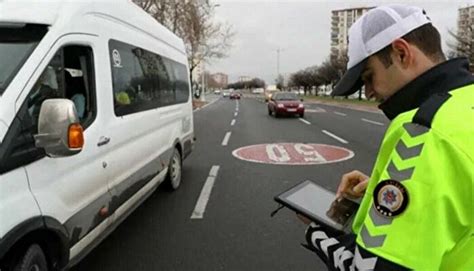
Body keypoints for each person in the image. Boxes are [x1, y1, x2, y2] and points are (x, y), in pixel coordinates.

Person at [299, 5, 474, 270]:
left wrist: (317, 232)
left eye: (369, 77)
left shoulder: (424, 129)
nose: (368, 92)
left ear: (402, 53)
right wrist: (382, 193)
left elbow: (368, 267)